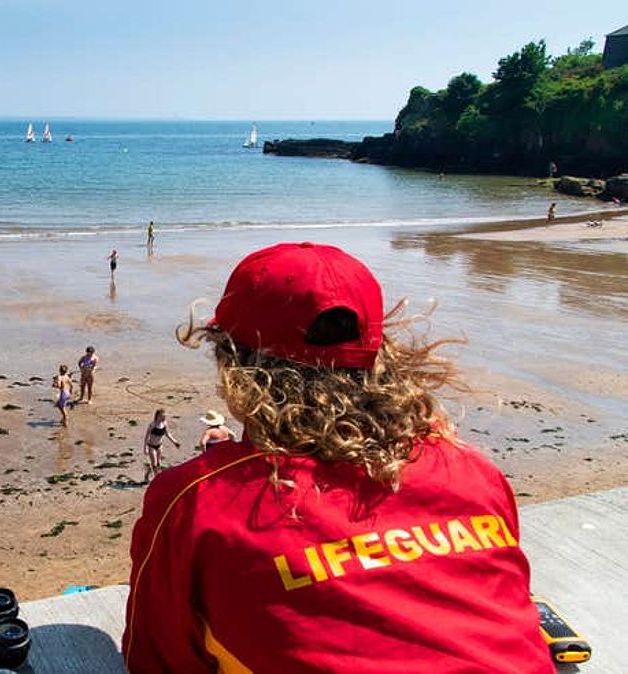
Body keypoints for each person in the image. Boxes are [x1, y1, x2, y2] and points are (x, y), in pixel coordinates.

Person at [122, 242, 552, 673]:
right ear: (383, 357)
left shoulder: (196, 503)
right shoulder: (470, 468)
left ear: (233, 366)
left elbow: (155, 659)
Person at [142, 408, 179, 483]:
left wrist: (174, 442)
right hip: (151, 446)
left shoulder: (164, 423)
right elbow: (147, 437)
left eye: (165, 416)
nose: (164, 418)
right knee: (154, 464)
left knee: (158, 464)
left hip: (159, 446)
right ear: (158, 416)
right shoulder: (152, 425)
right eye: (163, 416)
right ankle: (157, 480)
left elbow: (167, 433)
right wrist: (145, 448)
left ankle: (148, 472)